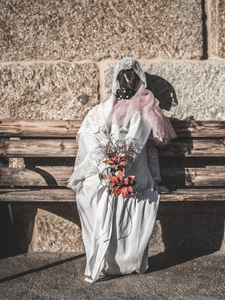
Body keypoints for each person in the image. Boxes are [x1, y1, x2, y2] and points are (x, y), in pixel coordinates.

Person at [67, 57, 177, 283]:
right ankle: (107, 259)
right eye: (123, 75)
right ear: (116, 79)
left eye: (133, 76)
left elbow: (143, 140)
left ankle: (127, 260)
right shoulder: (103, 110)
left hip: (135, 168)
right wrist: (104, 158)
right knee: (90, 192)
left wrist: (122, 161)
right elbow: (88, 133)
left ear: (140, 80)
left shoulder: (146, 110)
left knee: (125, 191)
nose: (127, 80)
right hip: (107, 164)